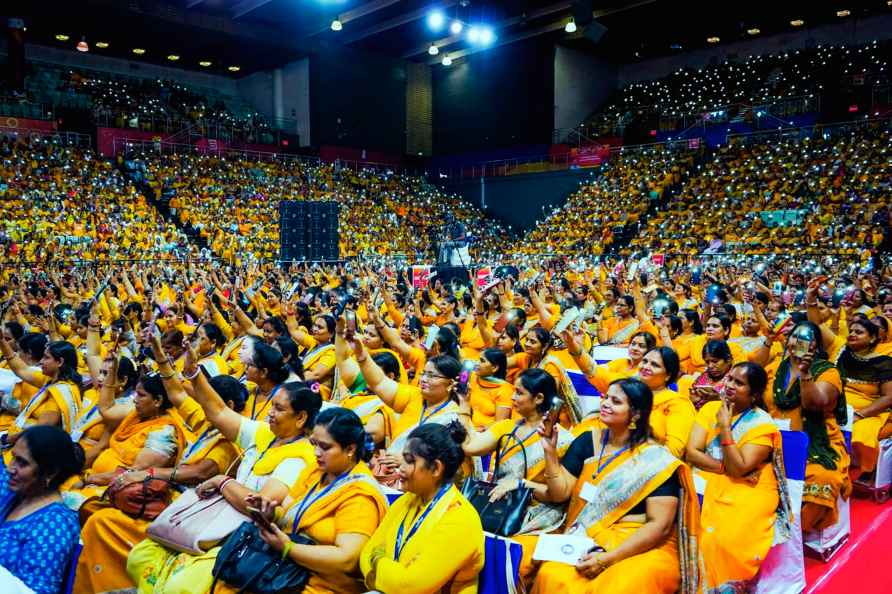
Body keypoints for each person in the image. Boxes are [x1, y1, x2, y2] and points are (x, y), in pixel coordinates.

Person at [126, 376, 321, 594]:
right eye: (271, 406)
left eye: (279, 409)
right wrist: (193, 374)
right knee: (139, 557)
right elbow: (218, 411)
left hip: (242, 537)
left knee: (178, 587)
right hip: (215, 519)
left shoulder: (300, 457)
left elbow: (257, 505)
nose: (270, 413)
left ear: (301, 417)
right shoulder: (265, 433)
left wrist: (222, 481)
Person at [530, 378, 703, 594]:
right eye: (605, 398)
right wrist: (549, 451)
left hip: (639, 543)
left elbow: (660, 526)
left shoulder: (655, 461)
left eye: (616, 401)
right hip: (588, 533)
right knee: (552, 575)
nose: (605, 404)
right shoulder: (587, 441)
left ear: (636, 415)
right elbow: (560, 493)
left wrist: (607, 559)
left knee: (618, 586)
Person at [223, 408, 388, 594]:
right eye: (314, 444)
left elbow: (346, 560)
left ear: (350, 449)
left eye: (325, 447)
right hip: (284, 569)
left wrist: (288, 548)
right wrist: (268, 514)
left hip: (321, 584)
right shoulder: (315, 471)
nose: (316, 452)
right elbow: (286, 512)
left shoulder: (360, 495)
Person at [686, 362, 793, 591]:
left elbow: (740, 468)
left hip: (750, 490)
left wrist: (725, 428)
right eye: (730, 379)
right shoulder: (709, 409)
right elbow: (692, 452)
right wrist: (724, 467)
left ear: (754, 395)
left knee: (720, 538)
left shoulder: (762, 424)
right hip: (712, 476)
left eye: (739, 383)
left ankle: (723, 584)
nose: (730, 385)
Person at [360, 422, 485, 593]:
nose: (400, 467)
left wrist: (378, 562)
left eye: (409, 461)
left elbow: (409, 586)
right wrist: (390, 573)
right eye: (402, 458)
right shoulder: (407, 500)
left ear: (435, 468)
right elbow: (366, 554)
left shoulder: (461, 519)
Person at [764, 321, 850, 529]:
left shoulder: (828, 372)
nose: (798, 341)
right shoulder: (776, 367)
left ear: (816, 346)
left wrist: (805, 374)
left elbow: (814, 404)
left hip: (815, 442)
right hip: (773, 438)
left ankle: (794, 530)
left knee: (823, 477)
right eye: (795, 335)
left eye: (806, 337)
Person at [351, 334, 462, 485]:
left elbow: (444, 465)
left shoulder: (455, 417)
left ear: (450, 384)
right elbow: (378, 382)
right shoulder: (415, 396)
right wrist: (361, 353)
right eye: (424, 374)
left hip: (421, 484)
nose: (423, 380)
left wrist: (406, 461)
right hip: (388, 473)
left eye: (432, 376)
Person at [0, 425, 83, 594]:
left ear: (50, 472)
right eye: (13, 458)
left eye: (22, 463)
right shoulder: (14, 490)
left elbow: (36, 591)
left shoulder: (55, 525)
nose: (11, 468)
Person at [0, 337, 82, 439]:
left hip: (30, 443)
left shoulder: (61, 393)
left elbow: (40, 431)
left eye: (46, 358)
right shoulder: (50, 379)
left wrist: (8, 439)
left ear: (60, 362)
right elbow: (21, 369)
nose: (41, 362)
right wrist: (2, 341)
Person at [636, 347, 696, 457]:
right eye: (644, 361)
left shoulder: (679, 404)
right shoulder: (630, 394)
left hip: (654, 464)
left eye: (654, 365)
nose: (645, 367)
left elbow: (674, 450)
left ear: (668, 375)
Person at [677, 339, 733, 410]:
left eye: (715, 361)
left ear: (728, 360)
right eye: (707, 362)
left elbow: (741, 404)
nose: (710, 366)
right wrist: (693, 400)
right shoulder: (704, 377)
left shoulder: (735, 378)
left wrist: (718, 398)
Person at [466, 348, 513, 429]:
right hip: (467, 425)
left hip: (485, 435)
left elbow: (499, 425)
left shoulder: (504, 390)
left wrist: (476, 431)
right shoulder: (474, 377)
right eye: (478, 359)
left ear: (494, 368)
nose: (477, 363)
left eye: (482, 361)